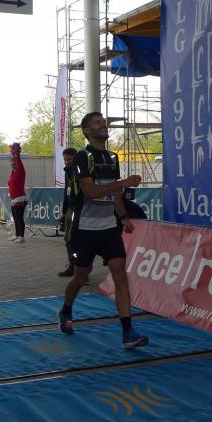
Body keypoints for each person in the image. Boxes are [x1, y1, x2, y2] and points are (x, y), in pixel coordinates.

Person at [58, 111, 149, 348]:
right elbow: (91, 192)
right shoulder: (82, 157)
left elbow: (114, 192)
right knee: (80, 276)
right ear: (87, 131)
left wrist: (123, 216)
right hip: (84, 229)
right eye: (98, 123)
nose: (104, 125)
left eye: (104, 122)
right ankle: (66, 310)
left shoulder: (112, 157)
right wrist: (124, 182)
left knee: (120, 275)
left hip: (109, 228)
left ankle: (128, 331)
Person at [57, 147, 79, 277]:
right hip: (70, 209)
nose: (66, 162)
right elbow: (67, 192)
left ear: (75, 158)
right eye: (65, 160)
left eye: (69, 159)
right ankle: (72, 266)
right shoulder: (67, 171)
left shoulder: (81, 172)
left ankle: (81, 270)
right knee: (68, 239)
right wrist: (64, 212)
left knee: (77, 240)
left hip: (80, 209)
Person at [7, 143, 27, 243]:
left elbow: (19, 162)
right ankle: (17, 234)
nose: (12, 164)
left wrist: (16, 155)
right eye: (11, 163)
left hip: (20, 198)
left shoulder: (20, 171)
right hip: (13, 198)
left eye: (13, 163)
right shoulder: (13, 173)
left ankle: (21, 236)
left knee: (19, 218)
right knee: (15, 218)